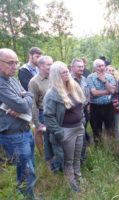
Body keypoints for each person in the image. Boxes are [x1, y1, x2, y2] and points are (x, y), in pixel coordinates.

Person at [44, 61, 86, 191]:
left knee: (77, 157)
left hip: (79, 128)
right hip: (66, 131)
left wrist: (82, 120)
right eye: (63, 72)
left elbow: (81, 107)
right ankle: (72, 184)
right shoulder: (52, 94)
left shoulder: (74, 86)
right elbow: (48, 116)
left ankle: (78, 177)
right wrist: (59, 133)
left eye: (67, 70)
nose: (67, 73)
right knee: (68, 160)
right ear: (57, 75)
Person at [0, 48, 36, 198]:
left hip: (25, 131)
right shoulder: (1, 84)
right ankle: (27, 197)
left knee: (28, 168)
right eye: (10, 63)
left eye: (16, 62)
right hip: (13, 136)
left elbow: (29, 95)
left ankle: (26, 194)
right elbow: (22, 105)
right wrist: (24, 100)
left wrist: (25, 97)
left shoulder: (12, 79)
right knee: (27, 171)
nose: (14, 66)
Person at [28, 55, 63, 172]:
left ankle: (61, 163)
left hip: (59, 113)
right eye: (49, 64)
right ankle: (52, 167)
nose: (51, 66)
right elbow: (33, 104)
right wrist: (37, 122)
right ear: (41, 66)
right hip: (45, 114)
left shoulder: (56, 78)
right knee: (49, 141)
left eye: (52, 63)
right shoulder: (34, 82)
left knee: (59, 139)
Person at [87, 59, 116, 144]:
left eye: (103, 65)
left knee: (110, 129)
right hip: (95, 107)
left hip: (108, 106)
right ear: (95, 68)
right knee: (96, 129)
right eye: (99, 66)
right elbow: (94, 93)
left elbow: (113, 91)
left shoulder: (110, 77)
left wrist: (104, 81)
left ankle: (112, 148)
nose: (101, 68)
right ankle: (99, 149)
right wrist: (108, 91)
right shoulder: (90, 77)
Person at [70, 58, 90, 162]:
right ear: (72, 67)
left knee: (82, 136)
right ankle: (73, 159)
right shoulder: (67, 80)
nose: (81, 68)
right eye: (79, 66)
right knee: (74, 138)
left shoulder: (84, 79)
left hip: (84, 111)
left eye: (82, 66)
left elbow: (87, 94)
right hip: (71, 113)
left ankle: (82, 158)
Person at [107, 65, 119, 140]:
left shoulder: (117, 81)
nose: (111, 72)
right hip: (105, 107)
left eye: (112, 70)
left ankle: (118, 143)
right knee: (107, 126)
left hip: (116, 107)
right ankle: (108, 142)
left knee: (117, 126)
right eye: (109, 70)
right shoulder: (101, 81)